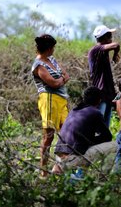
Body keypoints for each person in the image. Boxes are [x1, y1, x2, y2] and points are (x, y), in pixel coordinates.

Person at [52, 86, 117, 175]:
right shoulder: (95, 112)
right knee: (115, 146)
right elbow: (107, 137)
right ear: (99, 100)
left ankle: (75, 174)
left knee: (83, 148)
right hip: (72, 159)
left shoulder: (74, 110)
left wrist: (87, 141)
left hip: (58, 157)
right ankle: (102, 177)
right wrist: (89, 141)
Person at [31, 34, 70, 177]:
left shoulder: (51, 59)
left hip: (61, 99)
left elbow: (66, 76)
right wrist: (60, 80)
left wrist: (60, 80)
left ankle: (58, 167)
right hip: (48, 100)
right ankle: (43, 170)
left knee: (66, 132)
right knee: (49, 136)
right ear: (48, 48)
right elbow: (54, 83)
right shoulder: (38, 65)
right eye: (53, 47)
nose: (54, 49)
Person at [88, 25, 120, 128]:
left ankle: (102, 143)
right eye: (110, 36)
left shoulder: (103, 52)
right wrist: (115, 54)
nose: (111, 39)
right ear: (105, 37)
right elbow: (116, 45)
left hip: (107, 94)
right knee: (99, 124)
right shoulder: (96, 50)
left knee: (105, 126)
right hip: (100, 93)